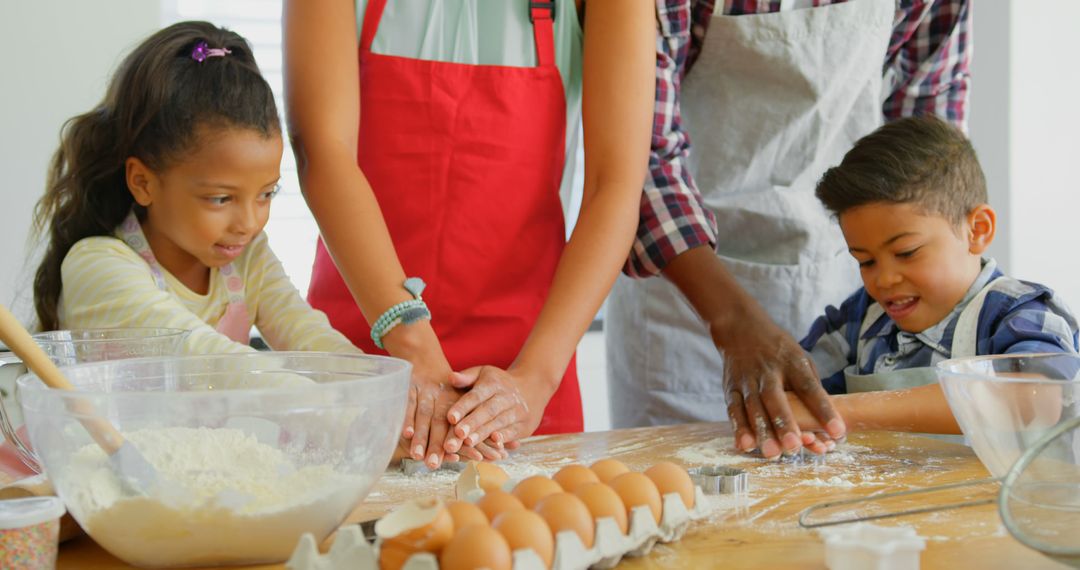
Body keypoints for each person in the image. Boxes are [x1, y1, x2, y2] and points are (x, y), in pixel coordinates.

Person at [284, 0, 654, 467]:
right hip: (366, 361)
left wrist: (533, 381)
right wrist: (411, 346)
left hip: (524, 372)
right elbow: (321, 149)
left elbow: (614, 185)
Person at [606, 0, 973, 458]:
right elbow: (637, 160)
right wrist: (733, 322)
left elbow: (933, 163)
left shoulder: (1006, 317)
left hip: (841, 272)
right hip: (682, 293)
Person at [31, 21, 358, 357]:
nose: (248, 223)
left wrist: (372, 382)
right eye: (220, 198)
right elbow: (210, 362)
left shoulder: (249, 259)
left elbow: (312, 339)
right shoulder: (98, 267)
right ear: (143, 182)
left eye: (266, 194)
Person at [786, 115, 1079, 434]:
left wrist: (844, 412)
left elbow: (1033, 399)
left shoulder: (1020, 313)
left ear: (977, 230)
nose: (883, 280)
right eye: (866, 261)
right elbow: (799, 384)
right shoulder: (862, 318)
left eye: (906, 252)